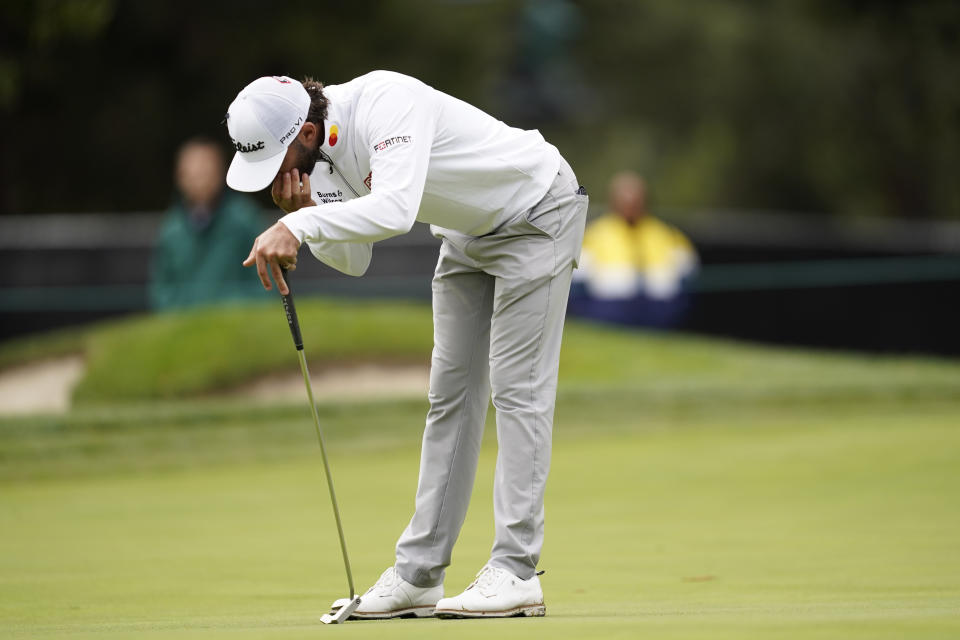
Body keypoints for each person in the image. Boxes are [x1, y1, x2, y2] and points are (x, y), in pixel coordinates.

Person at [225, 72, 588, 619]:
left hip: (537, 210)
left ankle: (516, 571)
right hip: (467, 236)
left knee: (517, 392)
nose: (272, 180)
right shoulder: (318, 159)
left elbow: (393, 211)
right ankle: (419, 575)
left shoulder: (385, 104)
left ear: (303, 132)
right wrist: (303, 221)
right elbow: (357, 259)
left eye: (273, 163)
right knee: (450, 399)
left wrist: (302, 227)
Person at [568, 171, 697, 327]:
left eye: (635, 200)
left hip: (659, 310)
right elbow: (577, 284)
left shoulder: (668, 234)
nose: (630, 205)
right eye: (625, 200)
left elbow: (688, 276)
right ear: (613, 201)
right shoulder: (593, 235)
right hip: (609, 309)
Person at [149, 137, 266, 310]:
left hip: (236, 326)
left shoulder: (244, 219)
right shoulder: (171, 229)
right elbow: (161, 291)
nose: (199, 180)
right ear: (179, 177)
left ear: (220, 173)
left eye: (205, 172)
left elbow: (264, 284)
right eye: (192, 174)